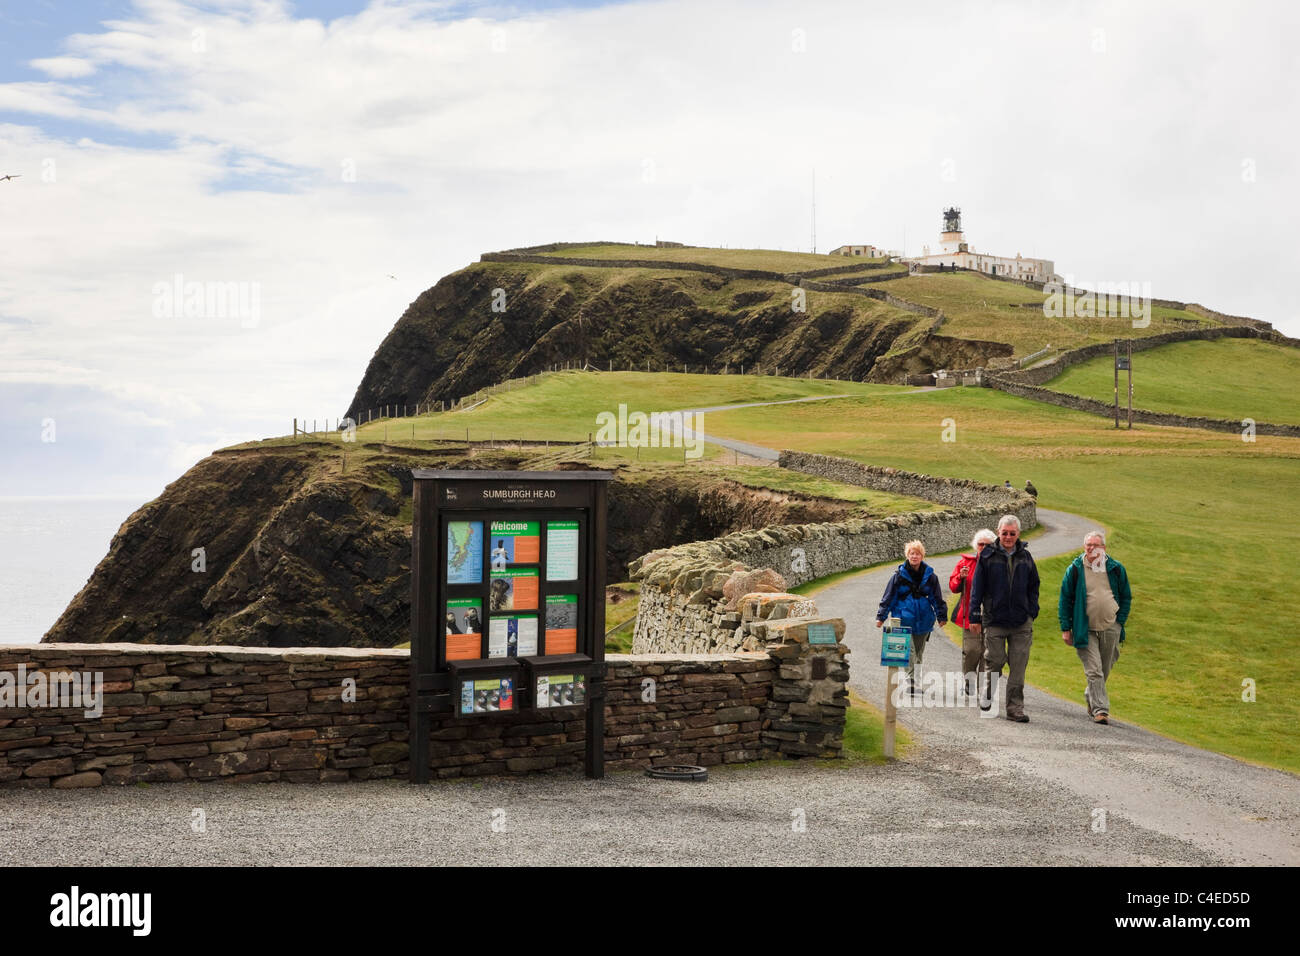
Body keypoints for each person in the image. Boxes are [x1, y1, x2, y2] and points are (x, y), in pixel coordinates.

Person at [968, 515, 1040, 721]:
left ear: (1018, 534)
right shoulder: (987, 556)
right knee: (995, 661)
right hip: (995, 620)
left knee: (1018, 666)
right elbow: (977, 588)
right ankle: (988, 694)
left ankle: (1015, 708)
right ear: (998, 532)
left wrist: (1032, 610)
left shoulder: (1026, 557)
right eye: (1005, 533)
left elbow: (1034, 585)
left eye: (1012, 533)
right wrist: (975, 615)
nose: (1008, 537)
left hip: (1021, 621)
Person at [1059, 531, 1132, 725]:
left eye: (1095, 545)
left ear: (1104, 548)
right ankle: (1101, 710)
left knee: (1105, 668)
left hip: (1110, 627)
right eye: (1088, 545)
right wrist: (1066, 628)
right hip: (1085, 629)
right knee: (1094, 670)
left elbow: (1126, 596)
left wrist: (1119, 621)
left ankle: (1091, 695)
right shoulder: (1075, 569)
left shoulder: (1116, 569)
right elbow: (1065, 599)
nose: (1091, 548)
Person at [875, 540, 948, 696]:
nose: (914, 556)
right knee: (909, 652)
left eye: (917, 553)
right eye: (911, 553)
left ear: (922, 555)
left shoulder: (930, 576)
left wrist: (942, 616)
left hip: (924, 620)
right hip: (903, 619)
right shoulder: (898, 576)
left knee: (919, 653)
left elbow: (937, 597)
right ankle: (911, 683)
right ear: (907, 555)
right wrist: (881, 617)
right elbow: (888, 597)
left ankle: (916, 682)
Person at [950, 529, 996, 696]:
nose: (983, 547)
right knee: (971, 650)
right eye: (980, 544)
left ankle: (983, 687)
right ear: (975, 545)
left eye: (987, 545)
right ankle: (969, 680)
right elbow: (953, 587)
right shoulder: (965, 563)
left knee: (987, 652)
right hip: (970, 614)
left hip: (992, 616)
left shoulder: (999, 563)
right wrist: (960, 578)